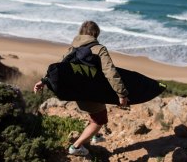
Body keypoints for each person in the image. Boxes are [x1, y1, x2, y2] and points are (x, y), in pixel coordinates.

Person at [34, 21, 129, 156]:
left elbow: (60, 68)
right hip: (91, 93)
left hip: (77, 92)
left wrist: (43, 80)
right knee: (100, 120)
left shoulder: (72, 48)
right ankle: (76, 147)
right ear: (96, 34)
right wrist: (121, 93)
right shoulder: (99, 49)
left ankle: (94, 136)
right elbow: (110, 72)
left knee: (96, 111)